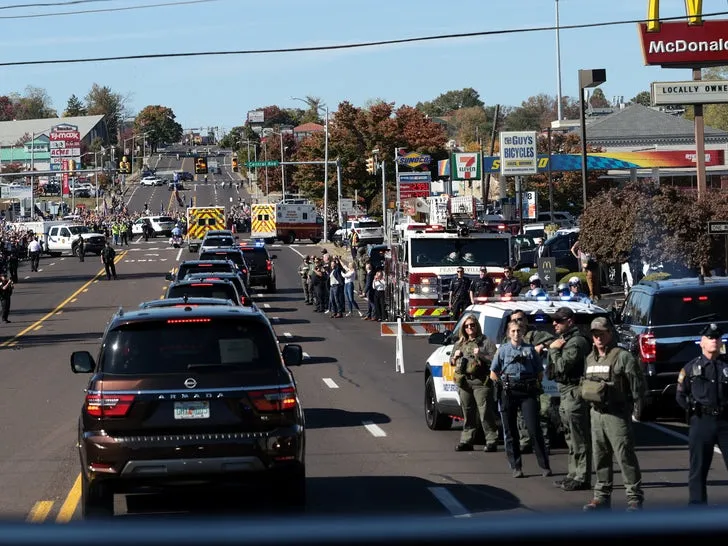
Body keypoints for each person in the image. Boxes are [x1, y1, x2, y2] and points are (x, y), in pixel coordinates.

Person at [582, 317, 645, 512]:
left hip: (616, 415)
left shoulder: (622, 356)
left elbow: (638, 387)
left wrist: (636, 411)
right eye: (595, 334)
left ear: (610, 333)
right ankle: (601, 497)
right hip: (596, 414)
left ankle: (634, 499)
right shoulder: (589, 359)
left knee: (624, 456)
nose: (598, 337)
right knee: (600, 456)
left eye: (602, 333)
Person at [490, 320, 552, 478]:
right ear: (508, 333)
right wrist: (501, 384)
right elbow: (493, 373)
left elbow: (539, 372)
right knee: (510, 432)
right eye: (513, 331)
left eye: (518, 331)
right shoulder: (503, 351)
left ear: (523, 332)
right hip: (509, 392)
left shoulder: (530, 350)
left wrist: (532, 384)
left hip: (527, 392)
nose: (516, 334)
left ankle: (544, 466)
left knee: (534, 429)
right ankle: (516, 466)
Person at [676, 323, 728, 505]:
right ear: (702, 343)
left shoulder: (726, 366)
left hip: (725, 421)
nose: (714, 341)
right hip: (702, 421)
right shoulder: (691, 368)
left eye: (717, 337)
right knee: (698, 469)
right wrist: (694, 413)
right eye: (710, 338)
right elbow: (681, 395)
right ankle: (697, 509)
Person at [547, 306, 593, 491]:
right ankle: (573, 474)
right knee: (570, 437)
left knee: (579, 437)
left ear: (570, 321)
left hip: (575, 391)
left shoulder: (576, 342)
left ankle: (582, 476)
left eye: (559, 320)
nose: (554, 323)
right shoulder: (565, 340)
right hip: (565, 392)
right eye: (554, 320)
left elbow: (562, 367)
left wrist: (553, 351)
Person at [507, 310, 556, 455]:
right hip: (518, 382)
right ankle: (525, 442)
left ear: (526, 321)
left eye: (520, 319)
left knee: (542, 412)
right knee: (521, 415)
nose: (518, 322)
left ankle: (544, 444)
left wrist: (542, 346)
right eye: (514, 320)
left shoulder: (535, 335)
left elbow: (554, 341)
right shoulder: (510, 338)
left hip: (537, 380)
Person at [451, 315, 499, 453]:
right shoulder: (460, 343)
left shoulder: (485, 342)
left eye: (472, 325)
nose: (470, 328)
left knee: (485, 413)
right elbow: (452, 362)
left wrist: (482, 355)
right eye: (466, 326)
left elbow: (495, 360)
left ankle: (491, 440)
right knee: (467, 412)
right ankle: (466, 440)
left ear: (477, 326)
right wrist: (456, 356)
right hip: (464, 382)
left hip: (480, 382)